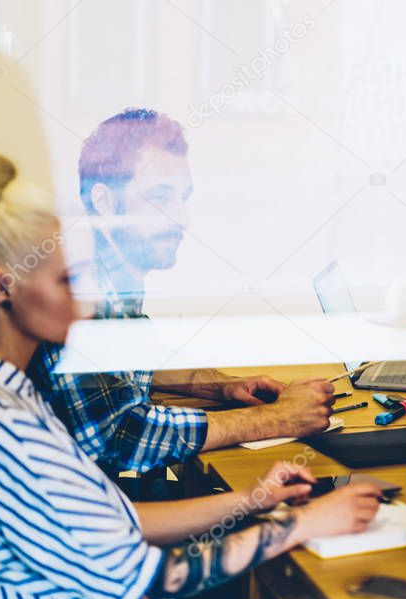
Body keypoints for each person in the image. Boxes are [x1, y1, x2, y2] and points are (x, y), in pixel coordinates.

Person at [0, 151, 383, 599]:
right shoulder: (3, 428)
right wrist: (300, 524)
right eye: (65, 282)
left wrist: (256, 499)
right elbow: (155, 579)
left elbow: (116, 525)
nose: (83, 302)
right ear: (2, 286)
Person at [29, 108, 334, 478]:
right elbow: (124, 435)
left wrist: (223, 387)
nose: (181, 218)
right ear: (105, 201)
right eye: (161, 197)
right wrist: (277, 417)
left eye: (183, 198)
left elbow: (137, 357)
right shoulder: (78, 293)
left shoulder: (113, 275)